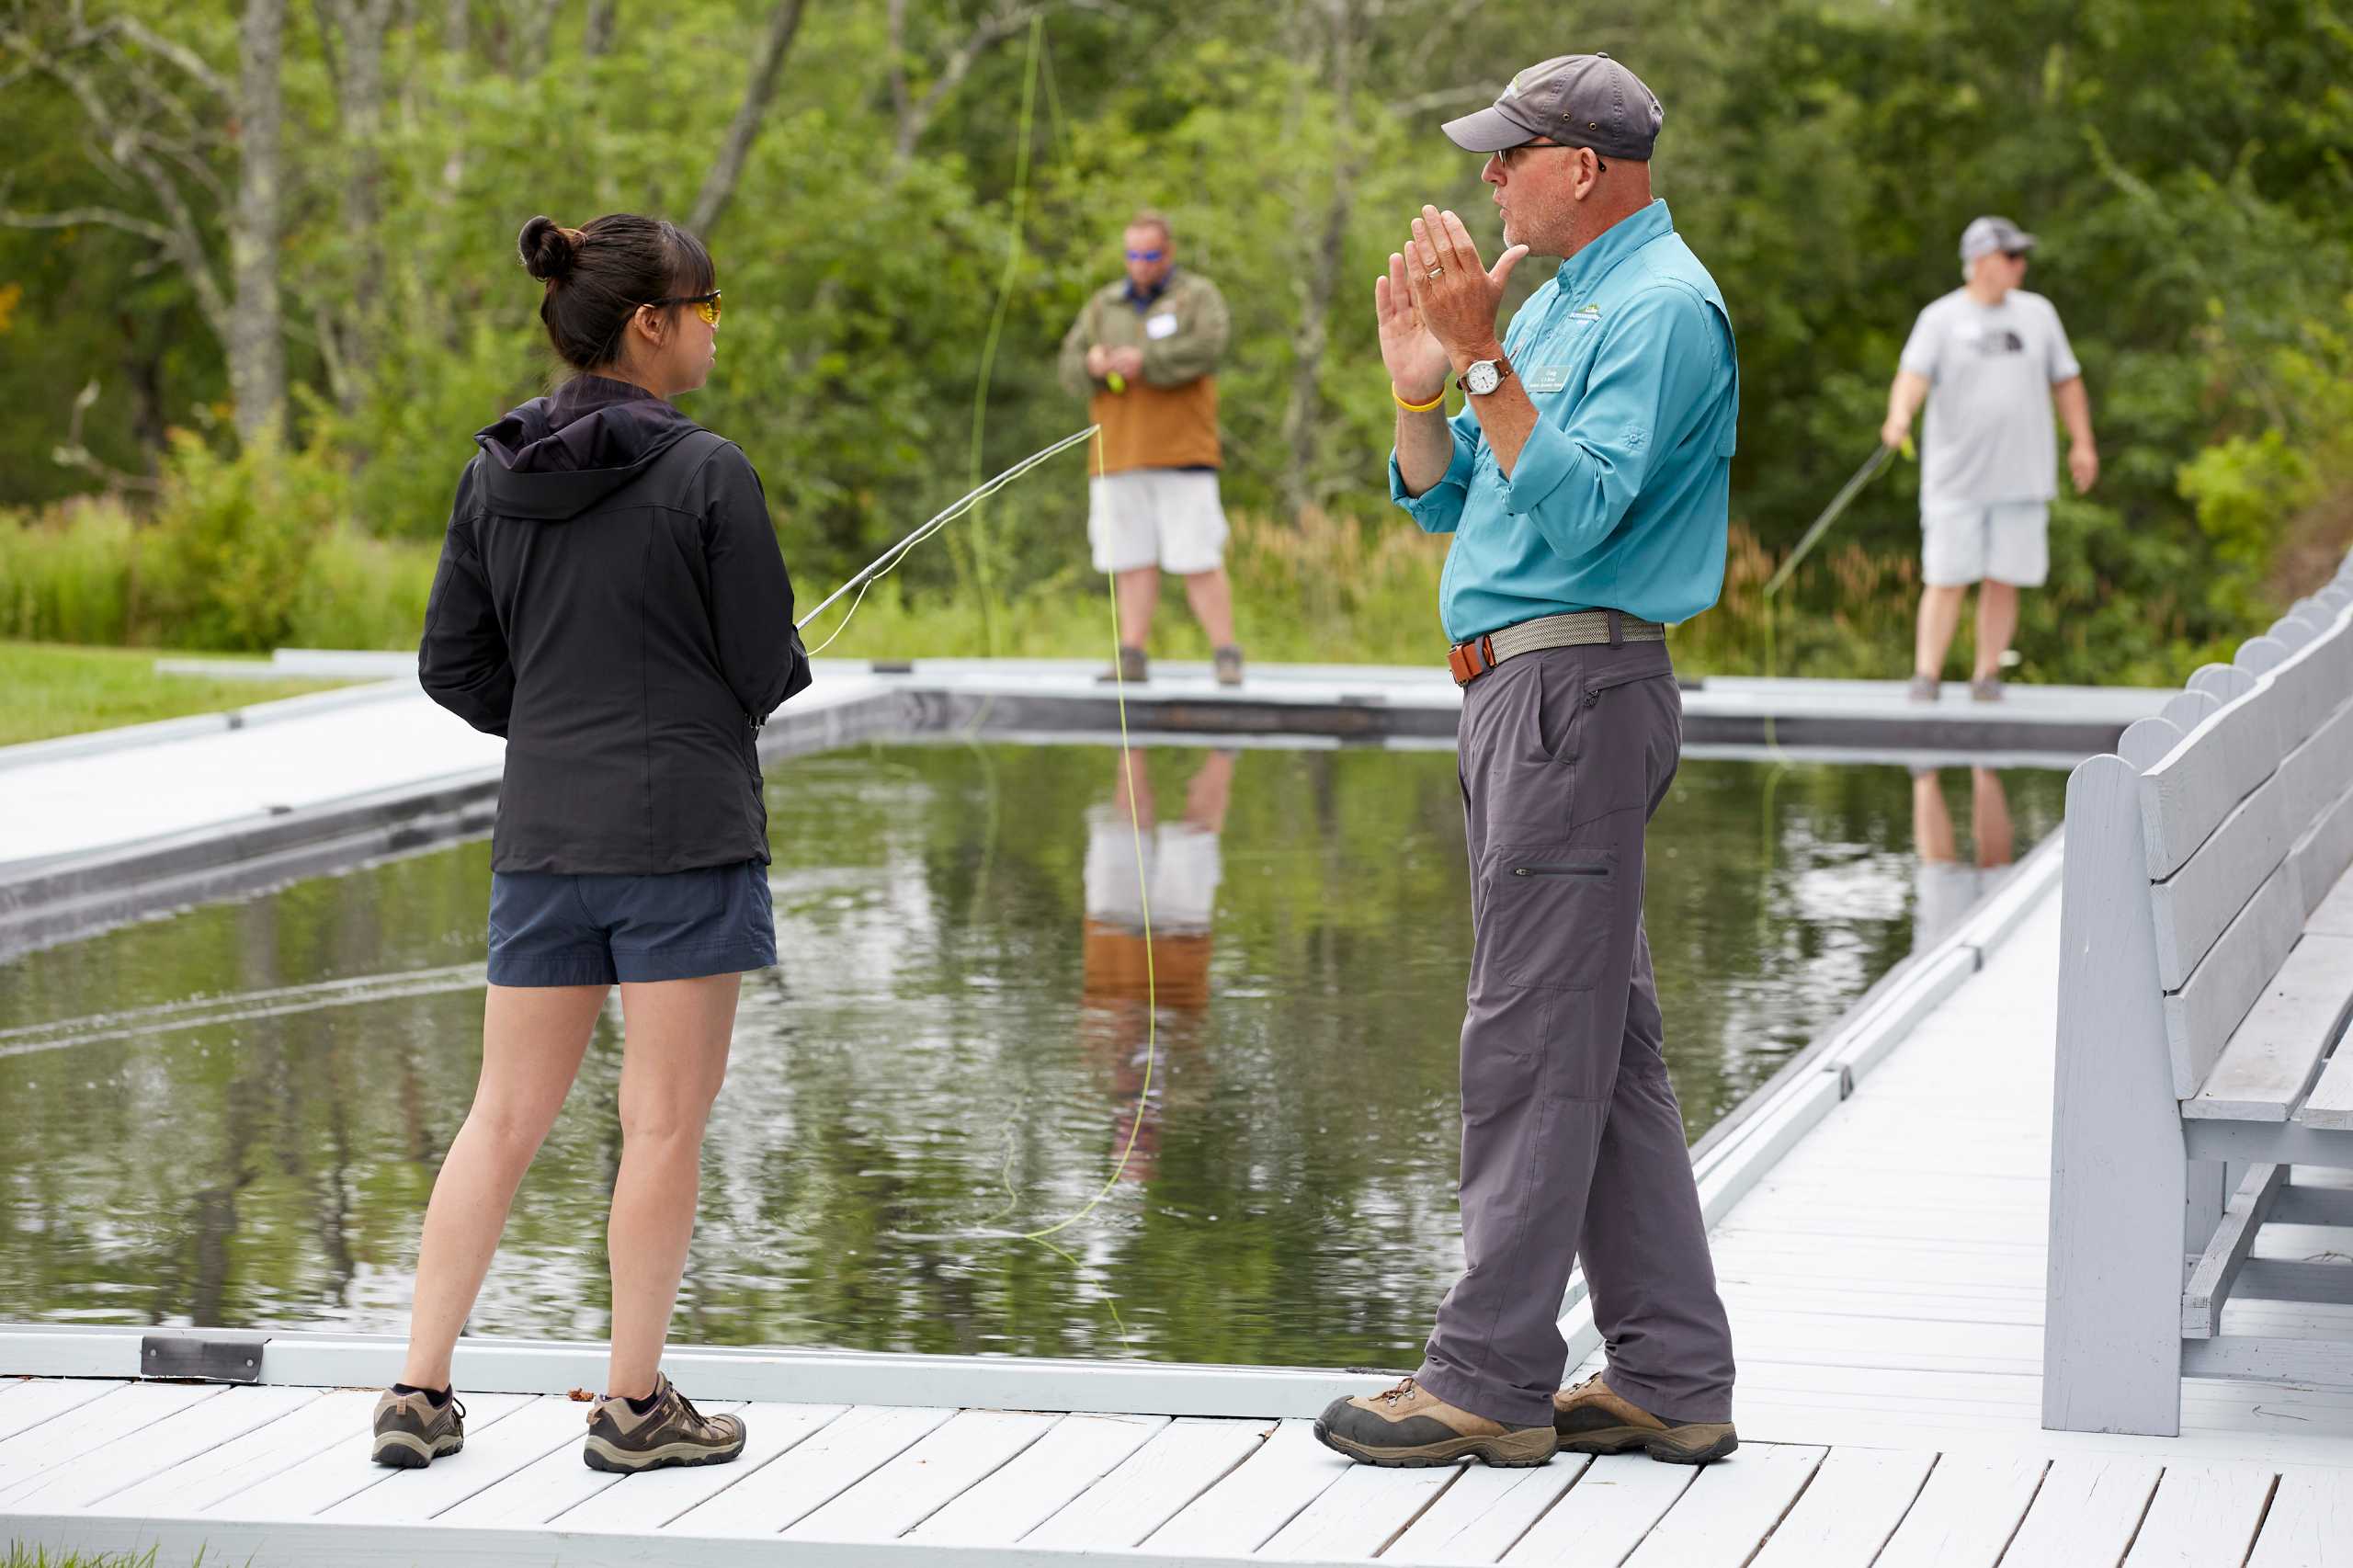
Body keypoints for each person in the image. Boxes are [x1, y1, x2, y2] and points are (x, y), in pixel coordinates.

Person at [1317, 52, 1739, 1471]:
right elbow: (1455, 505)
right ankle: (1672, 1373)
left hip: (1576, 689)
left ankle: (1487, 1375)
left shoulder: (1666, 308)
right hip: (1522, 693)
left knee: (1526, 1036)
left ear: (1587, 166)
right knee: (1602, 1048)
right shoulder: (1562, 298)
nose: (1487, 175)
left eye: (1511, 152)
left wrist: (1486, 358)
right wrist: (1422, 389)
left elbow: (1588, 513)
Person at [381, 212, 809, 1475]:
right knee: (662, 1123)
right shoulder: (710, 472)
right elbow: (758, 666)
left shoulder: (492, 470)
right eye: (710, 309)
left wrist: (562, 724)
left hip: (545, 841)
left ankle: (417, 1387)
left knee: (499, 1116)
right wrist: (738, 681)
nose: (716, 328)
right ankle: (631, 1409)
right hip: (685, 838)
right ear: (650, 324)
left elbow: (450, 664)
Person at [1881, 216, 2098, 703]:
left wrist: (2082, 443)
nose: (2022, 265)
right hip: (1955, 478)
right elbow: (1912, 376)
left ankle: (1986, 676)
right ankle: (1927, 675)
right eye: (2012, 256)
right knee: (1946, 576)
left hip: (2022, 477)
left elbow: (2066, 381)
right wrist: (1899, 417)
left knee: (2005, 578)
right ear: (1981, 262)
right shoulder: (1941, 318)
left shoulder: (2038, 314)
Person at [1057, 210, 1244, 687]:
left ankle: (1226, 655)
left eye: (1150, 254)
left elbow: (1210, 346)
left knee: (1199, 557)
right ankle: (1132, 655)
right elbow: (1068, 366)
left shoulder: (1196, 296)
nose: (1140, 264)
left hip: (1184, 453)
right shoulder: (1104, 304)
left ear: (1168, 253)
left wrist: (1148, 361)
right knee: (1130, 559)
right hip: (1116, 454)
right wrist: (1094, 364)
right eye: (1133, 254)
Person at [1078, 747, 1234, 1183]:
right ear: (1155, 1141)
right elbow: (1196, 1033)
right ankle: (1224, 746)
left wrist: (1121, 1071)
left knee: (1127, 826)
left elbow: (1095, 1024)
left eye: (1127, 1143)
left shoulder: (1093, 1085)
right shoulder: (1188, 1092)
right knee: (1195, 836)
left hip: (1110, 940)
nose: (1135, 1137)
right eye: (1142, 1147)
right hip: (1180, 947)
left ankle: (1137, 738)